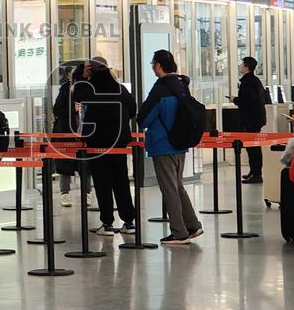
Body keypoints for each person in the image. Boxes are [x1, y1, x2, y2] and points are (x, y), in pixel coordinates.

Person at [137, 50, 203, 246]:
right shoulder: (182, 85)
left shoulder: (161, 89)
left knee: (170, 189)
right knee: (177, 185)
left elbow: (144, 118)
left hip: (162, 144)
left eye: (153, 64)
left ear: (158, 65)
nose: (153, 68)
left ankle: (179, 232)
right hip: (180, 143)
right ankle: (192, 225)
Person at [73, 57, 137, 234]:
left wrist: (82, 77)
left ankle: (107, 223)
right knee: (121, 180)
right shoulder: (120, 89)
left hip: (98, 143)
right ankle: (129, 221)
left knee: (102, 182)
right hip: (119, 142)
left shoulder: (90, 89)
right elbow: (133, 109)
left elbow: (76, 97)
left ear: (91, 72)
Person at [54, 66, 87, 207]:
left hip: (85, 132)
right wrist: (72, 109)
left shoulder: (91, 89)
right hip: (66, 132)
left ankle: (87, 192)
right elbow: (57, 110)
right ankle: (65, 193)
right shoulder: (65, 89)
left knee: (86, 164)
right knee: (65, 164)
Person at [233, 56, 268, 184]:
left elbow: (248, 101)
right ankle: (254, 171)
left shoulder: (248, 82)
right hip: (255, 118)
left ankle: (257, 173)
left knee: (253, 148)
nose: (240, 66)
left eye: (242, 64)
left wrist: (235, 100)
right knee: (252, 147)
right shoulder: (255, 81)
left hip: (251, 119)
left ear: (247, 67)